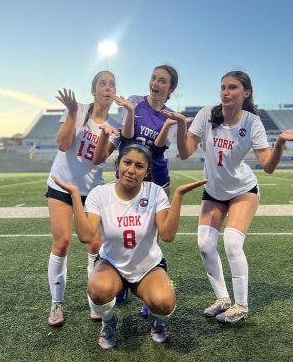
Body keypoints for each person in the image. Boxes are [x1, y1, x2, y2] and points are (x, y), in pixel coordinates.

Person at [162, 71, 293, 323]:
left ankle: (241, 305)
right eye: (222, 87)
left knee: (231, 242)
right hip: (214, 191)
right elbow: (185, 152)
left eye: (232, 87)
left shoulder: (252, 122)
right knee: (205, 245)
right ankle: (223, 298)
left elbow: (268, 166)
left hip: (243, 190)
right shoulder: (207, 114)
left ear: (246, 93)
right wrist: (182, 126)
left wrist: (280, 143)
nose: (225, 92)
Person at [52, 143, 207, 349]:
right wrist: (74, 195)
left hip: (149, 266)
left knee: (166, 300)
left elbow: (167, 236)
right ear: (118, 164)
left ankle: (157, 320)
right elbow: (87, 236)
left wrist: (177, 196)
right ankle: (109, 322)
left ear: (147, 171)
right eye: (127, 163)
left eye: (139, 166)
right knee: (97, 290)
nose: (131, 170)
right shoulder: (100, 194)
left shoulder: (155, 192)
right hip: (112, 265)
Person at [92, 64, 180, 317]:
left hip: (156, 176)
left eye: (162, 81)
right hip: (129, 173)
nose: (155, 83)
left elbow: (159, 147)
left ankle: (147, 285)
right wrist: (130, 110)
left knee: (153, 232)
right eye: (153, 78)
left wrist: (167, 124)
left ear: (170, 88)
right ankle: (119, 275)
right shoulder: (134, 101)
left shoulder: (171, 115)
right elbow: (127, 136)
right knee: (119, 223)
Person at [45, 71, 120, 327]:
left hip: (91, 191)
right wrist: (73, 113)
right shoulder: (77, 109)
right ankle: (57, 304)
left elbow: (97, 160)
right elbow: (63, 145)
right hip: (62, 184)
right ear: (93, 90)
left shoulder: (115, 127)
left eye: (112, 84)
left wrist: (106, 136)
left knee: (94, 246)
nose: (107, 87)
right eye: (102, 83)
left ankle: (95, 302)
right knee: (62, 243)